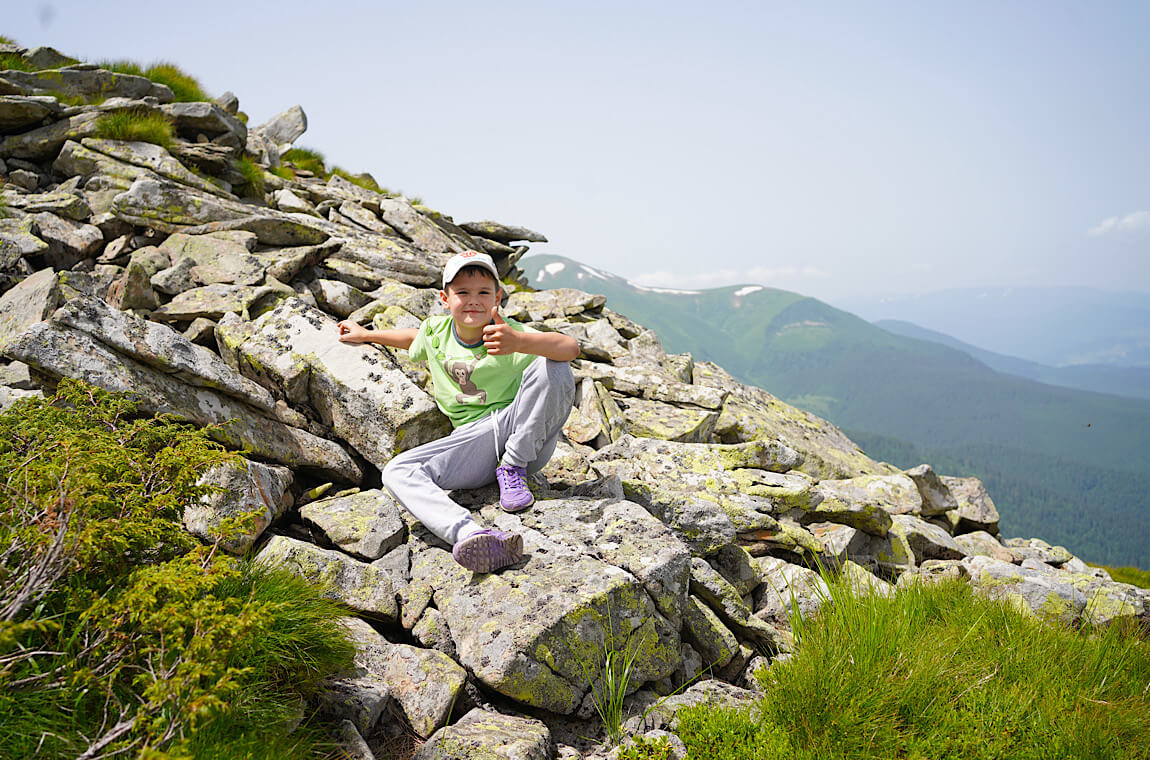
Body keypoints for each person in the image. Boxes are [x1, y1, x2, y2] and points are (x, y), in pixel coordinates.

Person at [336, 251, 578, 573]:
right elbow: (412, 340)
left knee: (555, 367)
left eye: (483, 293)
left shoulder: (508, 332)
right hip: (473, 445)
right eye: (462, 292)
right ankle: (473, 535)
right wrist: (366, 334)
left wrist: (519, 341)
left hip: (522, 436)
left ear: (497, 298)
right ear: (445, 299)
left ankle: (512, 470)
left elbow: (570, 348)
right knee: (396, 472)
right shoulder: (436, 333)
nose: (473, 301)